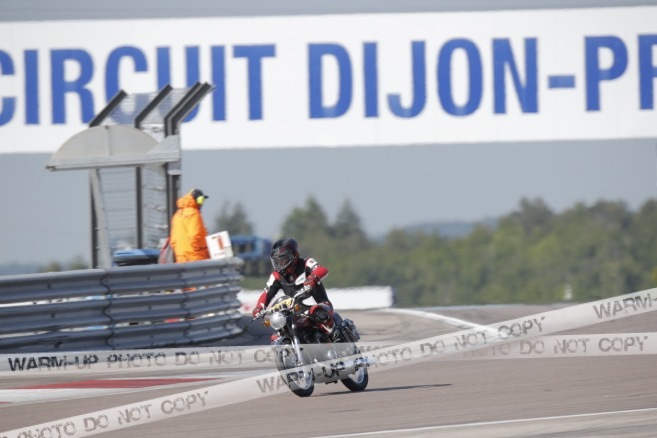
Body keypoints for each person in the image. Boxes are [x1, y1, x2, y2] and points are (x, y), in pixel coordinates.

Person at [252, 238, 335, 334]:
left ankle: (335, 333)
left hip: (319, 305)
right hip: (296, 312)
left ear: (293, 256)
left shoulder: (306, 263)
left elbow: (322, 269)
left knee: (319, 313)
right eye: (277, 261)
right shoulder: (276, 276)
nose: (280, 264)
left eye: (283, 260)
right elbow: (267, 293)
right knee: (280, 330)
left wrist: (312, 278)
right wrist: (259, 307)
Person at [169, 188, 211, 263]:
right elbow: (194, 238)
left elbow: (173, 242)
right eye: (201, 200)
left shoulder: (177, 215)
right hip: (196, 258)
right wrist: (206, 253)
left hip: (181, 259)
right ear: (198, 200)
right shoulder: (195, 214)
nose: (202, 204)